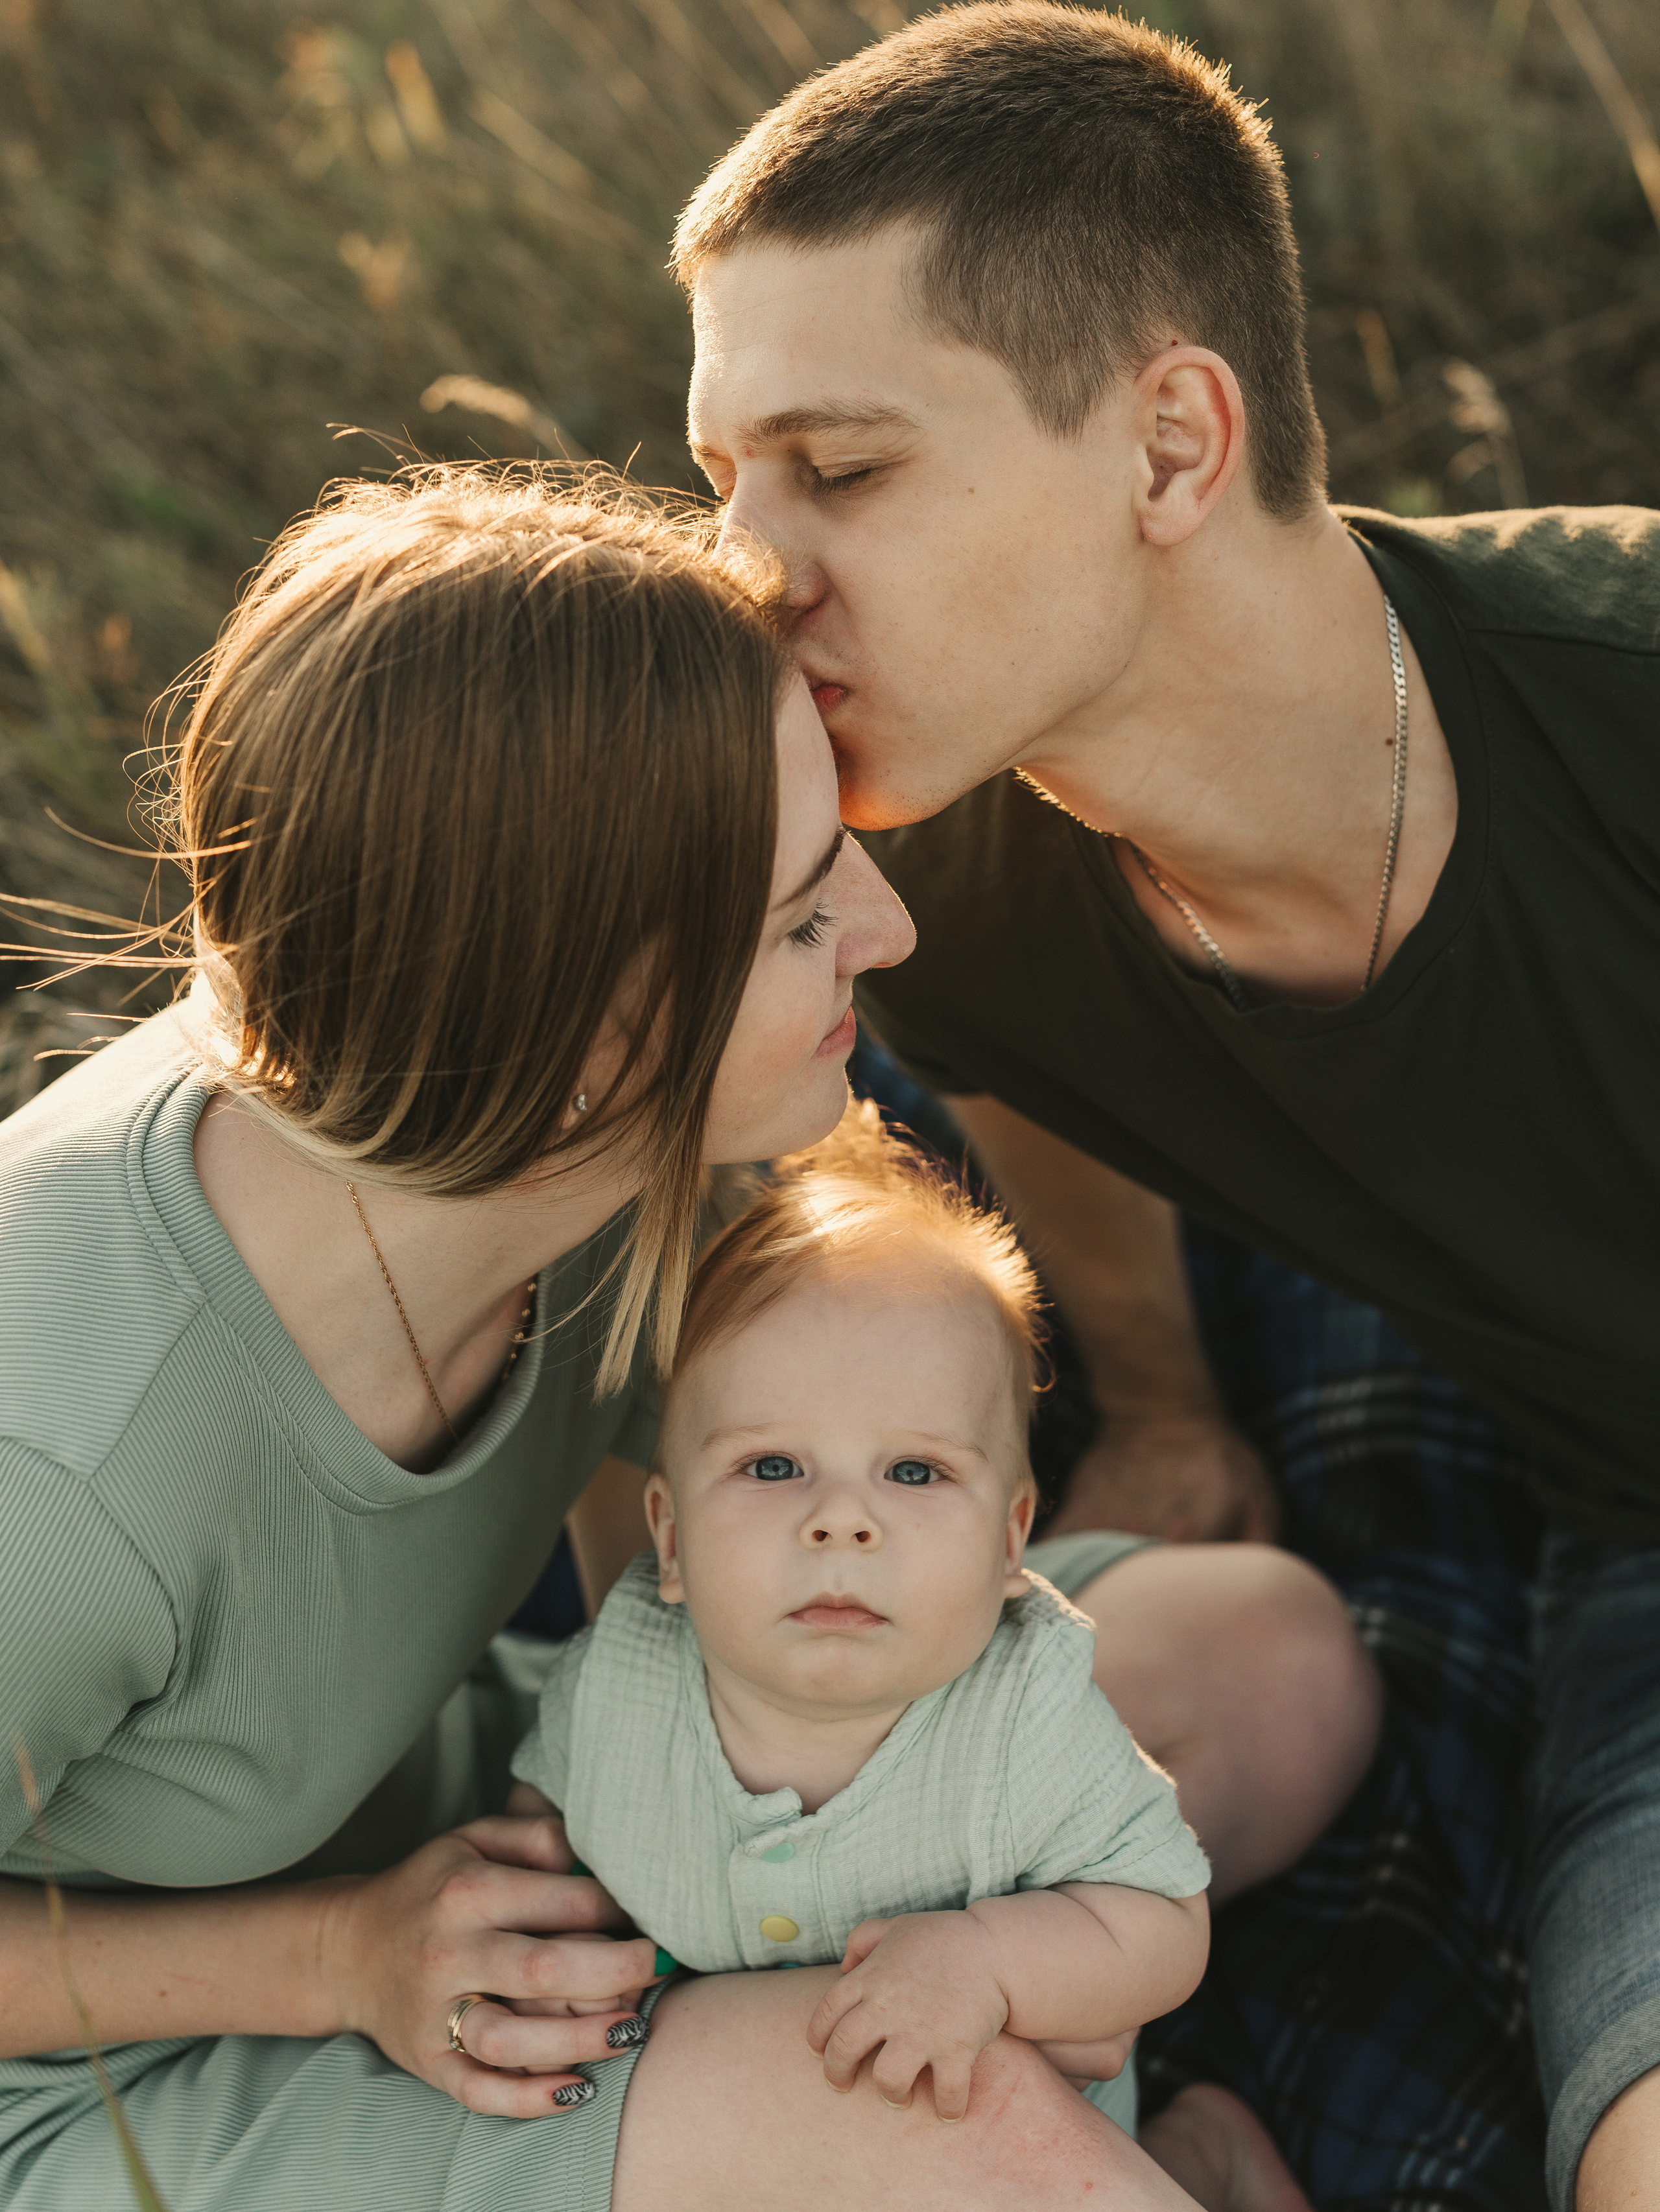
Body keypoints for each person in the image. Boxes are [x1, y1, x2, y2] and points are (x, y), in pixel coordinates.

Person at [674, 5, 1660, 2207]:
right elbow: (1021, 1082)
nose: (753, 568)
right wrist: (1157, 1385)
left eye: (839, 469)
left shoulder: (1625, 705)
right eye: (721, 480)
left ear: (1168, 449)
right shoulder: (937, 896)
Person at [0, 462, 1205, 2212]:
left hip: (489, 1840)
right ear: (587, 1029)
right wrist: (337, 1954)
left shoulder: (617, 1149)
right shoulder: (64, 1469)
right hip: (110, 2064)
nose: (888, 928)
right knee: (970, 2138)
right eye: (803, 915)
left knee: (1251, 1657)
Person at [507, 1100, 1327, 2210]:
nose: (842, 1523)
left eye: (913, 1474)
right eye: (771, 1467)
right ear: (669, 1537)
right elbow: (543, 1826)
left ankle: (1192, 2158)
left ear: (1008, 1543)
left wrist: (988, 1963)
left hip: (994, 2135)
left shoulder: (1025, 1716)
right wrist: (543, 1943)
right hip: (747, 2127)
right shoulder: (621, 1676)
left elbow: (1161, 1924)